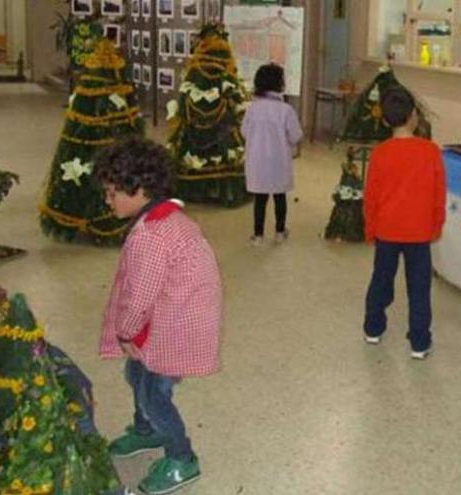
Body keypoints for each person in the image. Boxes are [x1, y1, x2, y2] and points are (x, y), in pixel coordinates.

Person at [94, 138, 222, 494]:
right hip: (173, 314)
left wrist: (126, 333)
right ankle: (145, 431)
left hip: (172, 327)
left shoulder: (151, 234)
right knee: (135, 373)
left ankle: (182, 459)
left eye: (111, 193)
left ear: (138, 190)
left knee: (154, 394)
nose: (107, 201)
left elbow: (139, 298)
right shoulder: (164, 216)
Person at [362, 86, 446, 359]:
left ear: (384, 120)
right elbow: (438, 194)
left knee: (381, 280)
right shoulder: (431, 152)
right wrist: (436, 226)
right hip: (420, 232)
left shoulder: (379, 153)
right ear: (414, 116)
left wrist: (370, 228)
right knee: (419, 288)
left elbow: (371, 196)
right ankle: (419, 343)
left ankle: (373, 328)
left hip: (386, 231)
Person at [242, 63, 303, 246]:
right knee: (279, 196)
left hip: (257, 160)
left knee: (260, 199)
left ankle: (258, 235)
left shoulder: (253, 108)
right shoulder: (286, 110)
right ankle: (279, 232)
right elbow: (296, 135)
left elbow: (244, 131)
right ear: (280, 84)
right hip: (279, 161)